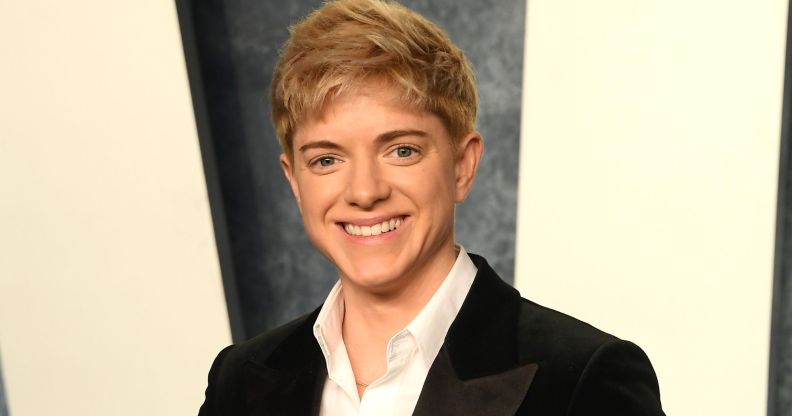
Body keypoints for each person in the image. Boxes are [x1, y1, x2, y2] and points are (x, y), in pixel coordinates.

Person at [198, 0, 665, 415]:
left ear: (463, 165)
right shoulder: (239, 382)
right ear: (294, 181)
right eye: (326, 159)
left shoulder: (583, 380)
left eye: (401, 150)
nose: (364, 191)